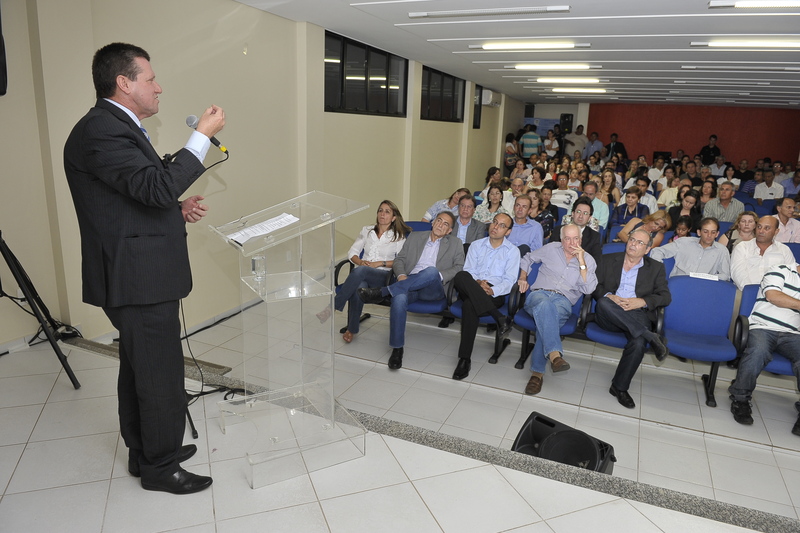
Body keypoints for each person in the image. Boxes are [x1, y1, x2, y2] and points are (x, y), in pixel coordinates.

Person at [63, 43, 226, 494]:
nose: (159, 88)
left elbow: (134, 196)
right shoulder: (101, 129)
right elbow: (154, 188)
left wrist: (176, 209)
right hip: (137, 277)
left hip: (138, 272)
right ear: (124, 83)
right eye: (150, 79)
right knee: (159, 374)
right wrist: (201, 138)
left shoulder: (115, 127)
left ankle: (145, 452)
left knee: (141, 368)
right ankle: (161, 466)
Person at [358, 212, 465, 370]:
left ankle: (384, 292)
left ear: (449, 230)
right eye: (439, 220)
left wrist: (439, 276)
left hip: (433, 288)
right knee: (399, 298)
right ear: (433, 222)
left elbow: (459, 267)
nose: (440, 225)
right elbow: (400, 259)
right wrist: (401, 275)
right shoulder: (415, 237)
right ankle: (397, 349)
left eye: (445, 224)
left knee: (431, 271)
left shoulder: (456, 243)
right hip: (409, 282)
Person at [593, 228, 672, 409]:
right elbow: (593, 285)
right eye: (632, 239)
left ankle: (619, 387)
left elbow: (665, 297)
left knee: (638, 342)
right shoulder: (607, 260)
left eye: (640, 242)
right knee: (604, 302)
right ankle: (651, 336)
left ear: (647, 249)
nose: (633, 244)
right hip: (609, 313)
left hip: (636, 314)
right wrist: (609, 296)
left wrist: (642, 301)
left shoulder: (656, 268)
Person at [517, 224, 598, 395]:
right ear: (561, 240)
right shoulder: (551, 248)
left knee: (547, 319)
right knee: (545, 306)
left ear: (581, 239)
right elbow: (528, 258)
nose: (572, 243)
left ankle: (538, 374)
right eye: (567, 239)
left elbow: (589, 289)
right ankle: (554, 357)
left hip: (563, 301)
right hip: (539, 295)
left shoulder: (588, 260)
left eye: (576, 238)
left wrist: (581, 263)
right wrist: (523, 277)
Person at [728, 263, 800, 436]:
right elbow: (773, 296)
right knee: (758, 351)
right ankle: (740, 399)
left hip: (793, 334)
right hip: (763, 327)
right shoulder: (781, 270)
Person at [326, 201, 410, 343]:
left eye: (387, 212)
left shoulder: (398, 236)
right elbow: (352, 252)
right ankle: (351, 329)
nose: (382, 214)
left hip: (384, 276)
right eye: (380, 210)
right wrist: (360, 262)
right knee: (359, 286)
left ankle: (333, 306)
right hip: (362, 274)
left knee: (362, 271)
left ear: (394, 217)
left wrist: (380, 263)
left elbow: (401, 261)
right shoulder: (367, 230)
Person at [451, 214, 520, 380]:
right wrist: (478, 283)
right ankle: (500, 318)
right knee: (460, 276)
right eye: (495, 222)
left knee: (469, 305)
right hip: (472, 286)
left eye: (502, 225)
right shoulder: (476, 245)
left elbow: (510, 281)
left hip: (495, 292)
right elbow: (469, 270)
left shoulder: (513, 251)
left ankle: (464, 359)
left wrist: (492, 290)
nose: (495, 227)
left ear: (508, 231)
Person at [650, 217, 731, 280]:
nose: (709, 235)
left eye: (713, 232)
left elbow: (725, 275)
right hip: (680, 282)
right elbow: (657, 251)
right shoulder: (683, 242)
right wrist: (660, 269)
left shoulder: (722, 250)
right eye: (705, 231)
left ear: (717, 234)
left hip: (704, 285)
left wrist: (708, 278)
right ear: (699, 232)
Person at [730, 216, 795, 290]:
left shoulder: (784, 250)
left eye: (767, 228)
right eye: (759, 227)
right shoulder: (742, 247)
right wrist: (753, 291)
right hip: (745, 291)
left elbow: (792, 275)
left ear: (776, 231)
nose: (761, 231)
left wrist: (774, 293)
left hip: (777, 292)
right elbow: (738, 274)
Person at [550, 197, 603, 263]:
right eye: (578, 212)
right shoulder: (558, 230)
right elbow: (550, 253)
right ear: (573, 214)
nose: (581, 216)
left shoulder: (594, 236)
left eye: (585, 213)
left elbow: (596, 261)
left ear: (589, 218)